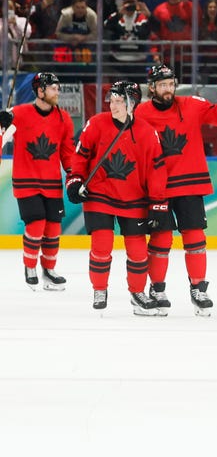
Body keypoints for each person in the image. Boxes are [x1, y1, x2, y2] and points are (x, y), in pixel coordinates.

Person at [136, 64, 217, 315]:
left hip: (190, 183)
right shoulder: (140, 112)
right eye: (162, 85)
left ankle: (198, 288)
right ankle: (157, 288)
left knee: (195, 239)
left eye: (171, 84)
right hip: (158, 187)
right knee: (160, 240)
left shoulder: (191, 104)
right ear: (152, 87)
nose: (168, 89)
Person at [66, 81, 165, 315]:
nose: (114, 105)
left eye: (120, 101)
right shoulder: (96, 124)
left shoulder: (147, 131)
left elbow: (156, 169)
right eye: (113, 100)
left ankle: (137, 293)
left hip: (135, 198)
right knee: (102, 245)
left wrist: (157, 202)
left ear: (133, 104)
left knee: (138, 251)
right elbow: (80, 157)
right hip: (99, 195)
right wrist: (75, 181)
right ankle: (99, 289)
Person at [0, 72, 74, 289]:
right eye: (52, 88)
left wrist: (73, 175)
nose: (57, 92)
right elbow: (3, 138)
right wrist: (2, 125)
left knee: (53, 228)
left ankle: (49, 271)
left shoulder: (63, 118)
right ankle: (30, 265)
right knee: (36, 223)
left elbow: (67, 152)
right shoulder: (18, 114)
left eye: (57, 88)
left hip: (52, 183)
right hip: (26, 181)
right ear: (40, 91)